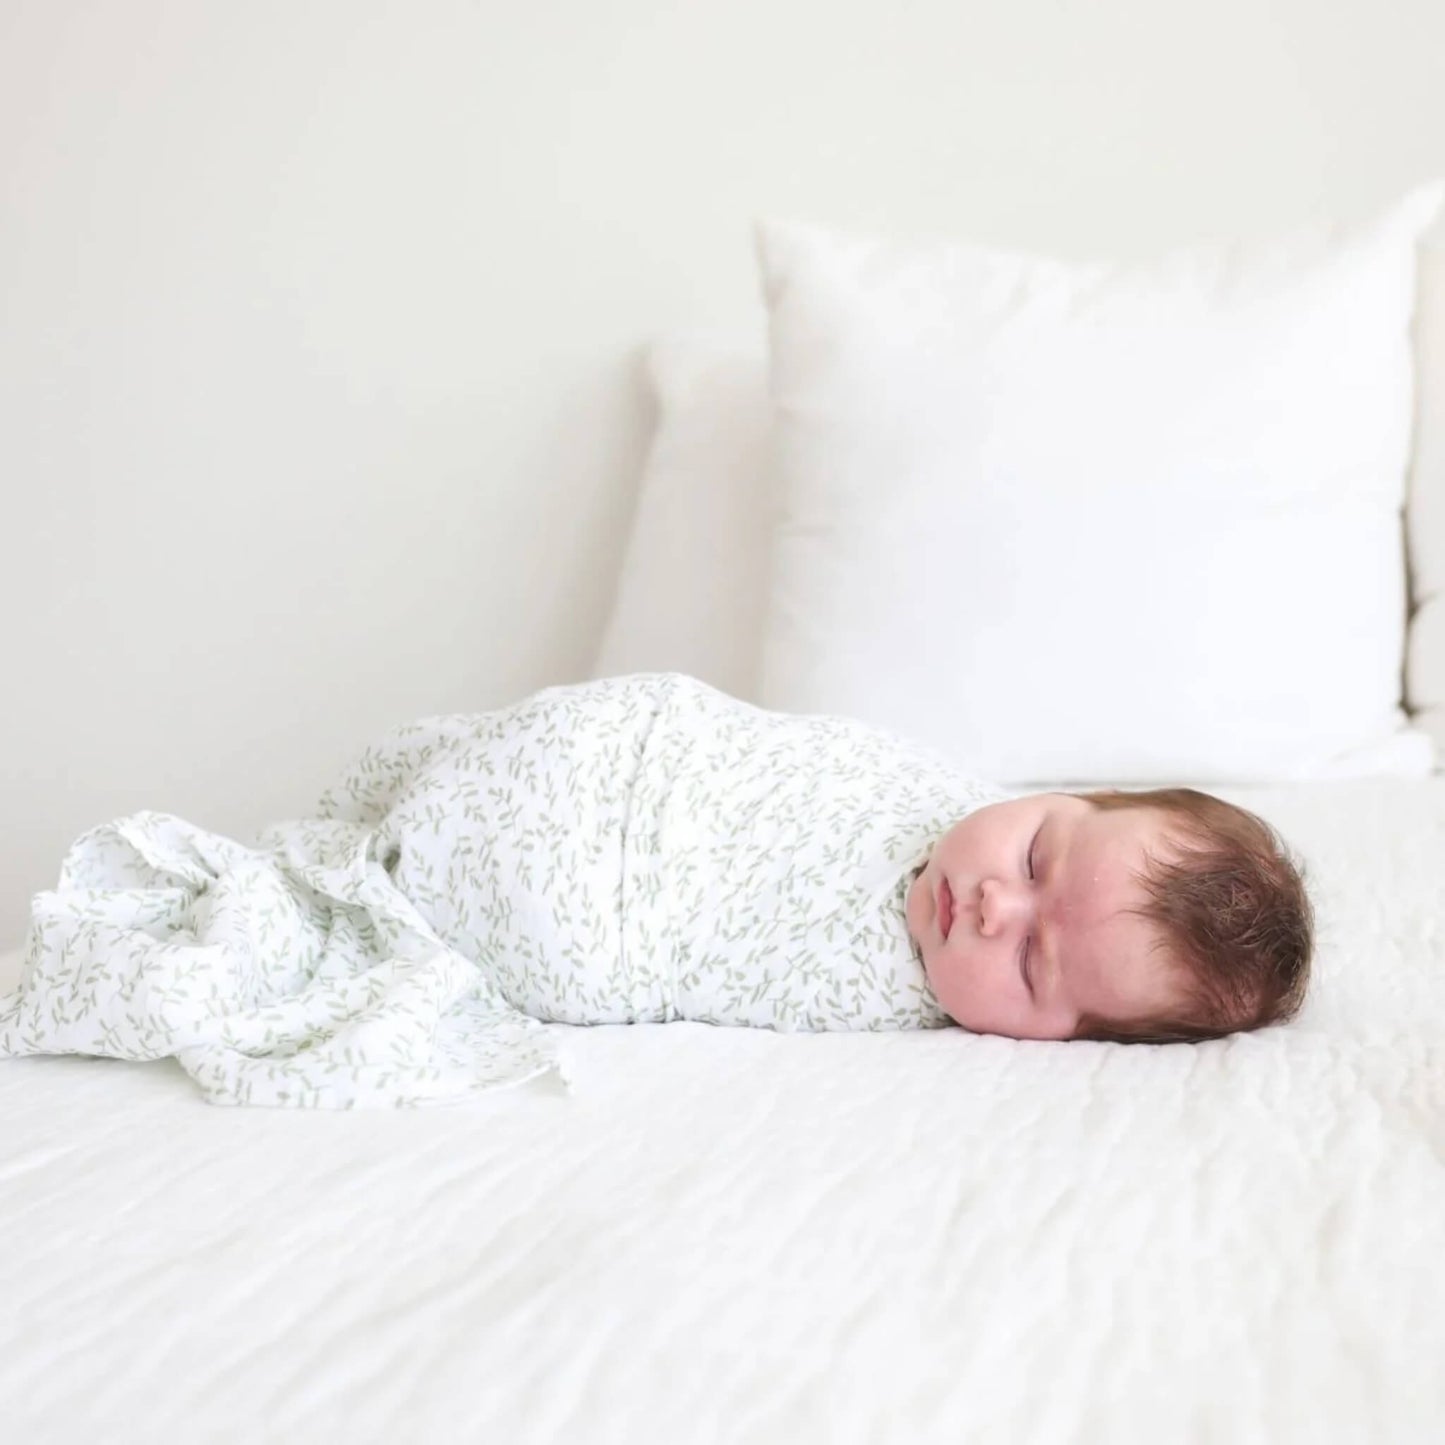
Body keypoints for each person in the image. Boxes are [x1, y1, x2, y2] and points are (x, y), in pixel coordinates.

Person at [0, 673, 1313, 1108]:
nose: (989, 910)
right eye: (1034, 859)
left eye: (1032, 967)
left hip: (477, 916)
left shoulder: (893, 1029)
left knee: (259, 940)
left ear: (1057, 1041)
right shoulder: (923, 770)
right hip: (519, 769)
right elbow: (733, 738)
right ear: (1061, 792)